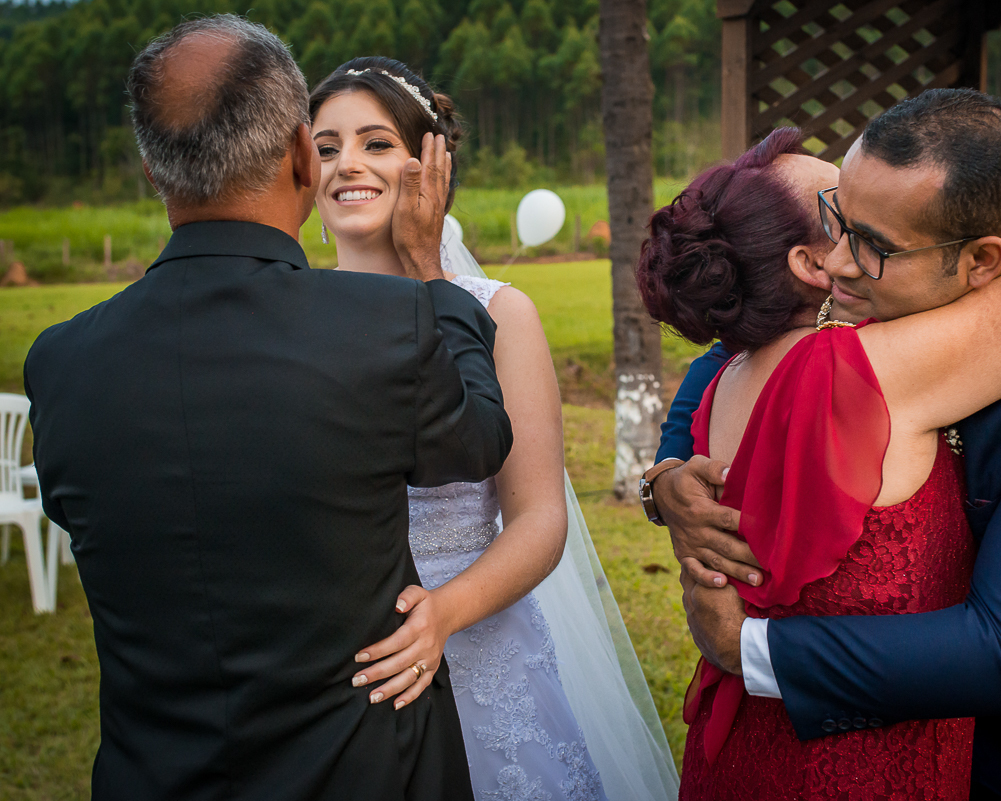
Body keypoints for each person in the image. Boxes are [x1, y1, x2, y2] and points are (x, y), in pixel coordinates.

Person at [648, 89, 1001, 801]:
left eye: (873, 245)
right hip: (917, 717)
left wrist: (746, 649)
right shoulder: (863, 297)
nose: (838, 262)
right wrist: (663, 478)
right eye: (837, 221)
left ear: (981, 259)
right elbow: (723, 362)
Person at [23, 17, 512, 801]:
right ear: (298, 154)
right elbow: (480, 439)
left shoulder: (60, 360)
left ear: (153, 171)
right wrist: (432, 281)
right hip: (367, 774)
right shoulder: (391, 324)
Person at [307, 58, 679, 801]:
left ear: (432, 163)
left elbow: (540, 519)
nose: (346, 162)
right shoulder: (293, 314)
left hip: (482, 658)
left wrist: (442, 615)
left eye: (375, 143)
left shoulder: (500, 313)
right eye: (324, 147)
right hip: (334, 667)